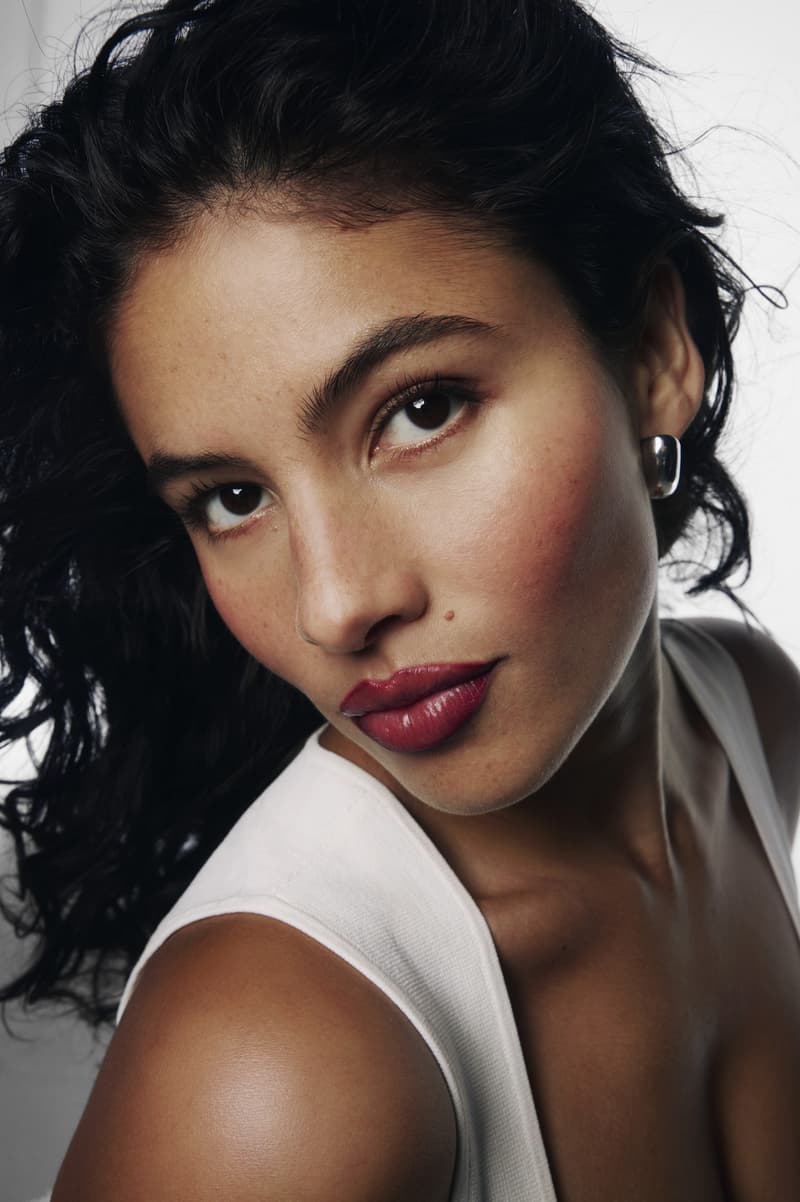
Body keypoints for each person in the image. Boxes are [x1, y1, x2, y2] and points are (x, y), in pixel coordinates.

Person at [1, 0, 799, 1197]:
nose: (333, 602)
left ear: (651, 352)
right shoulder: (272, 1065)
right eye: (228, 496)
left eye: (417, 410)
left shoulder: (752, 718)